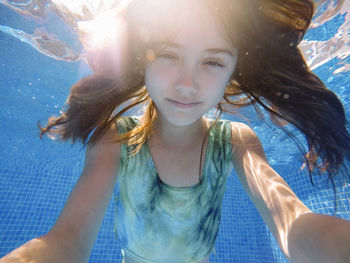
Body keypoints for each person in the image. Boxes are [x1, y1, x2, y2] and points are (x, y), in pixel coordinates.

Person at [1, 0, 350, 262]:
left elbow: (292, 222)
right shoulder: (115, 138)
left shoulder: (235, 140)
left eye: (212, 62)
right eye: (168, 55)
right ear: (142, 59)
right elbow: (69, 238)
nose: (187, 84)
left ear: (233, 72)